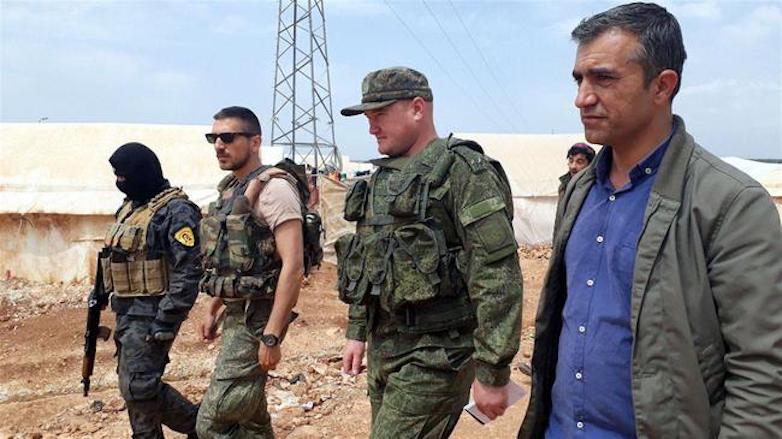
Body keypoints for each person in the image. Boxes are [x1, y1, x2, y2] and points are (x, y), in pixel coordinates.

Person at [518, 3, 782, 438]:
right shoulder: (580, 191)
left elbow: (762, 371)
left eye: (603, 78)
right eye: (579, 79)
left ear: (662, 86)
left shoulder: (729, 203)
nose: (582, 97)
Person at [338, 67, 524, 438]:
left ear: (417, 108)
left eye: (379, 115)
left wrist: (492, 371)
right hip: (385, 351)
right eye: (368, 118)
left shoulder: (464, 171)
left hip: (439, 354)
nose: (371, 127)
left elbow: (497, 276)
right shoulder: (381, 180)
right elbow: (366, 262)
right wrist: (357, 331)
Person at [196, 106, 305, 438]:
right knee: (251, 419)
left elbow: (294, 266)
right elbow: (230, 258)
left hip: (259, 316)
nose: (218, 145)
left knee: (213, 421)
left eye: (228, 137)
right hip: (236, 311)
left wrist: (270, 335)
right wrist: (213, 308)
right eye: (213, 138)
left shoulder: (275, 190)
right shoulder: (231, 188)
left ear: (255, 141)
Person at [106, 142, 201, 439]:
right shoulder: (130, 208)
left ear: (142, 173)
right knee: (132, 384)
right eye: (116, 176)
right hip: (125, 310)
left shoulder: (176, 211)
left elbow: (189, 270)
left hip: (153, 312)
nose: (120, 183)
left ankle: (202, 425)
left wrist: (167, 318)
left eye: (124, 176)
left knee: (138, 385)